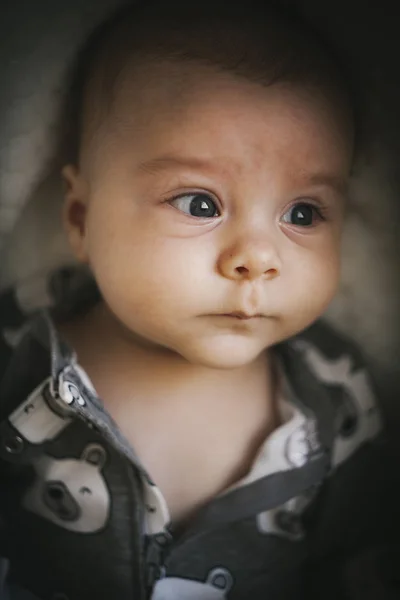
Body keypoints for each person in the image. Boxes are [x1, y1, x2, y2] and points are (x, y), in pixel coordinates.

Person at [0, 1, 397, 598]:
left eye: (303, 213)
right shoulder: (18, 357)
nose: (258, 258)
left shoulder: (340, 401)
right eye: (199, 204)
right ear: (81, 218)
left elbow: (361, 561)